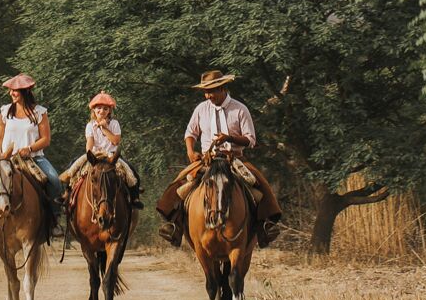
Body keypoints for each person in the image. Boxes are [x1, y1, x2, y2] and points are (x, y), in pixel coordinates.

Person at [154, 70, 284, 248]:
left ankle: (265, 226)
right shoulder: (201, 109)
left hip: (234, 159)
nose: (208, 95)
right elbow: (190, 133)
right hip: (208, 160)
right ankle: (174, 226)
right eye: (206, 92)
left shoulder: (240, 109)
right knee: (178, 185)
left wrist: (229, 138)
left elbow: (251, 139)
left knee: (259, 184)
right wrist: (191, 152)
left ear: (223, 88)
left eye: (212, 91)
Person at [0, 73, 62, 227]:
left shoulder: (39, 112)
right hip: (5, 159)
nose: (11, 93)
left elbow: (46, 139)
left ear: (25, 91)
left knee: (55, 180)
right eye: (10, 90)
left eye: (15, 90)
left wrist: (29, 148)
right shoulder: (5, 111)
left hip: (33, 158)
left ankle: (54, 219)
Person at [61, 91, 141, 207]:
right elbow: (89, 143)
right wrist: (90, 155)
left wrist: (104, 128)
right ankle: (66, 194)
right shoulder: (90, 125)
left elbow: (116, 141)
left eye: (105, 109)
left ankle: (135, 198)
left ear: (109, 111)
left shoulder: (114, 124)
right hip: (96, 155)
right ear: (93, 110)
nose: (101, 111)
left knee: (131, 172)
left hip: (111, 155)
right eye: (98, 108)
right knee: (73, 168)